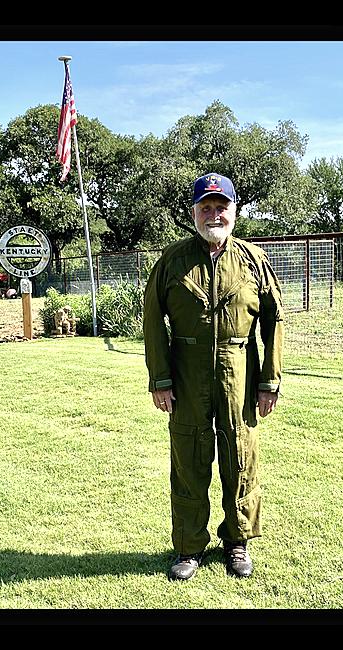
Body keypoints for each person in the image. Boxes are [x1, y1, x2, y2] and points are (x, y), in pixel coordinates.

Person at [143, 173, 284, 581]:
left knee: (240, 456)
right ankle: (189, 547)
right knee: (189, 459)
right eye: (206, 207)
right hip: (186, 373)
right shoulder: (172, 260)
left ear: (234, 212)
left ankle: (237, 541)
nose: (214, 214)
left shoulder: (254, 260)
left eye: (221, 207)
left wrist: (269, 381)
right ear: (194, 213)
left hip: (239, 371)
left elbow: (274, 321)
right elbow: (153, 321)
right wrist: (161, 379)